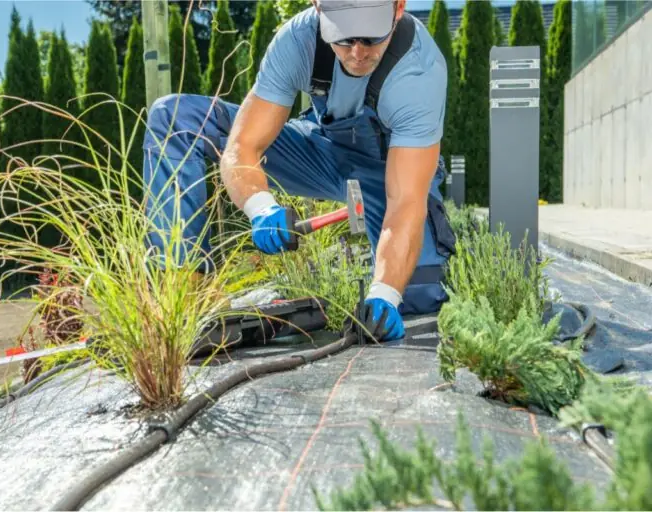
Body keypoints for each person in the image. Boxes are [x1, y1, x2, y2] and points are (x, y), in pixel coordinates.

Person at [142, 0, 456, 343]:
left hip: (386, 173)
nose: (357, 52)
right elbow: (243, 145)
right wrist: (260, 207)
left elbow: (406, 202)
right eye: (344, 38)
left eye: (370, 37)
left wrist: (385, 293)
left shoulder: (418, 70)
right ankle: (184, 293)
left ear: (398, 8)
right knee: (176, 120)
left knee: (417, 293)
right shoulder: (297, 40)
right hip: (318, 153)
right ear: (319, 10)